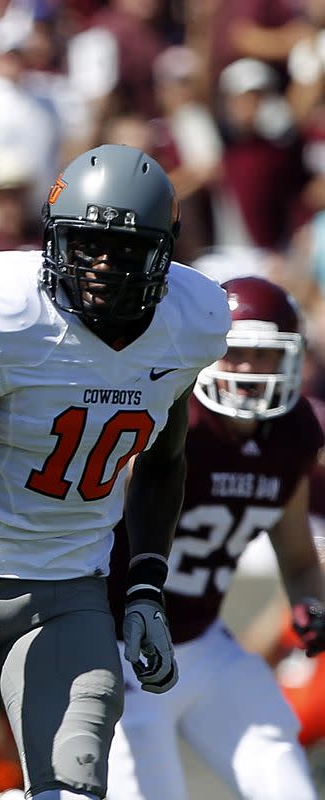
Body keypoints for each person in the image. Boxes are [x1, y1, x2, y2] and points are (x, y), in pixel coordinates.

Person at [0, 144, 231, 800]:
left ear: (164, 255)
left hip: (71, 589)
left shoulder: (188, 323)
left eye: (123, 251)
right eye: (85, 245)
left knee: (74, 787)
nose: (100, 267)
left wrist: (144, 587)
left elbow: (162, 462)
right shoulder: (5, 310)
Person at [105, 275, 325, 800]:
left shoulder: (292, 436)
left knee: (289, 785)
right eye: (234, 353)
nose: (247, 370)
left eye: (263, 355)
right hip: (118, 649)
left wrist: (310, 604)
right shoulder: (168, 421)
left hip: (204, 643)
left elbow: (296, 555)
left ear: (291, 360)